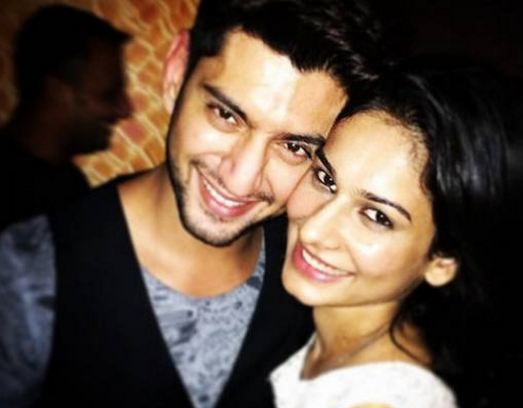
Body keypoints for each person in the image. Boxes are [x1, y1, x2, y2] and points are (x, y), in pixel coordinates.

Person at [0, 0, 382, 407]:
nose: (240, 179)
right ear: (177, 73)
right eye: (226, 115)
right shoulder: (28, 271)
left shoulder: (313, 273)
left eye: (294, 147)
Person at [269, 62, 510, 407]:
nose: (313, 230)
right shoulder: (326, 331)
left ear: (441, 262)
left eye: (377, 216)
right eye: (325, 179)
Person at [0, 5, 132, 230]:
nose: (125, 110)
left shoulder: (68, 183)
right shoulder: (12, 195)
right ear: (57, 93)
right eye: (108, 95)